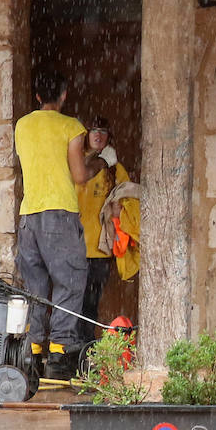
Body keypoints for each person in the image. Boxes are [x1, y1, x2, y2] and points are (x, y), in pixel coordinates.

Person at [14, 74, 103, 380]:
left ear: (37, 96)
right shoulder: (71, 127)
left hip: (28, 216)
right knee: (69, 281)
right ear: (64, 95)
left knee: (36, 286)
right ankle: (61, 353)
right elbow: (79, 175)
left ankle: (33, 351)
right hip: (60, 214)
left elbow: (44, 160)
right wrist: (98, 163)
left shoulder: (22, 125)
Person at [75, 117, 130, 336]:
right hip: (74, 246)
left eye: (103, 131)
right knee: (70, 303)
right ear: (86, 135)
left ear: (109, 137)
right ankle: (65, 348)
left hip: (100, 250)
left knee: (90, 304)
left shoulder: (115, 169)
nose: (98, 135)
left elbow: (128, 198)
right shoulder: (76, 164)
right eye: (94, 130)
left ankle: (84, 347)